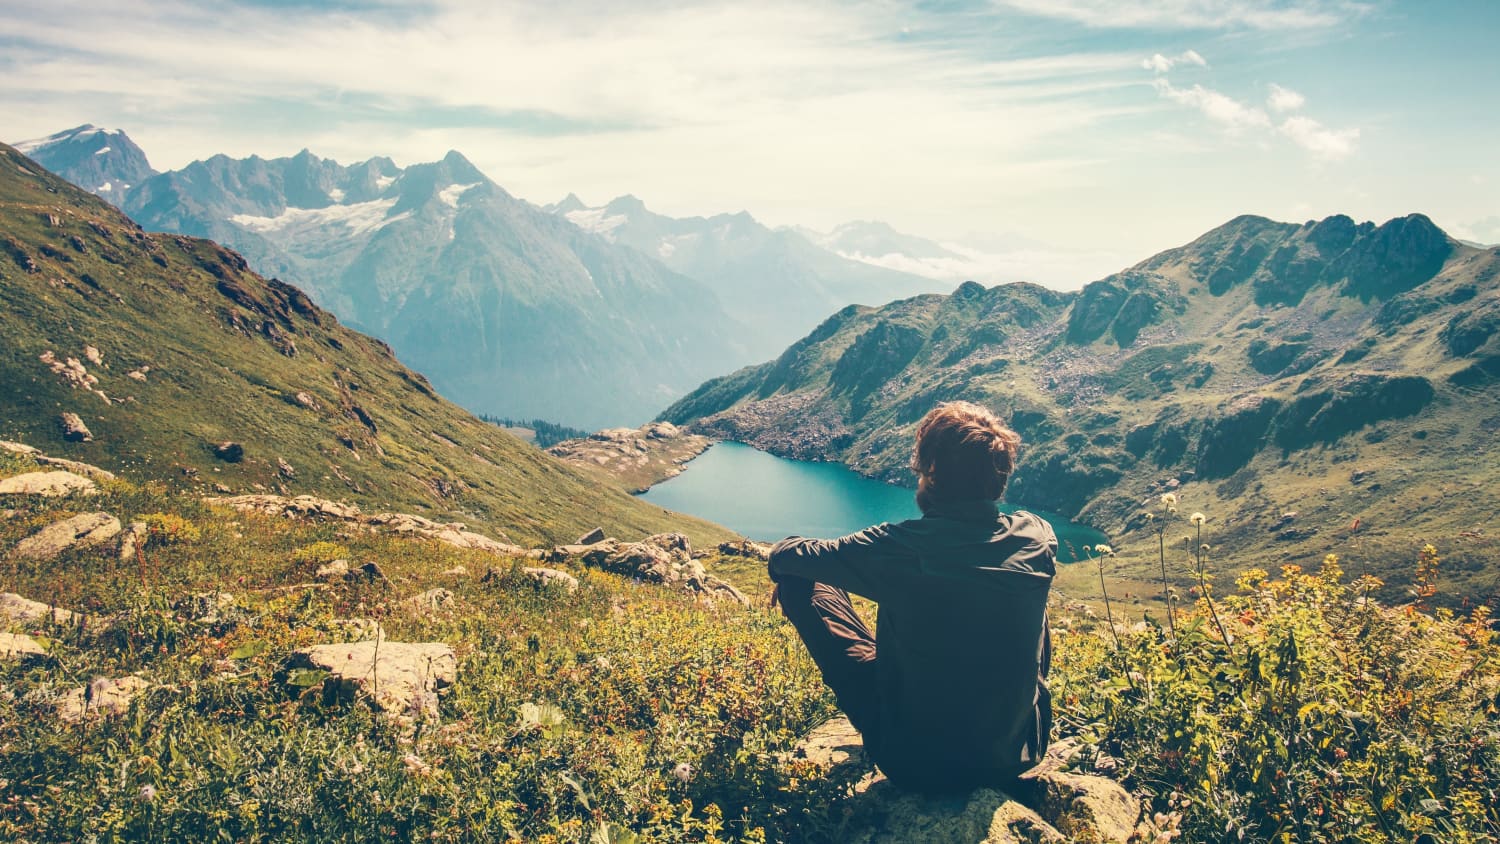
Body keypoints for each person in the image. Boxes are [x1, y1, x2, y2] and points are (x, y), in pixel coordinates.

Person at [768, 401, 1055, 794]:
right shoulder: (1037, 537)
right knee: (1025, 591)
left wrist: (788, 573)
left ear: (931, 473)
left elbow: (785, 555)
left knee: (802, 580)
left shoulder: (898, 547)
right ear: (999, 477)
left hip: (917, 761)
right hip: (1019, 753)